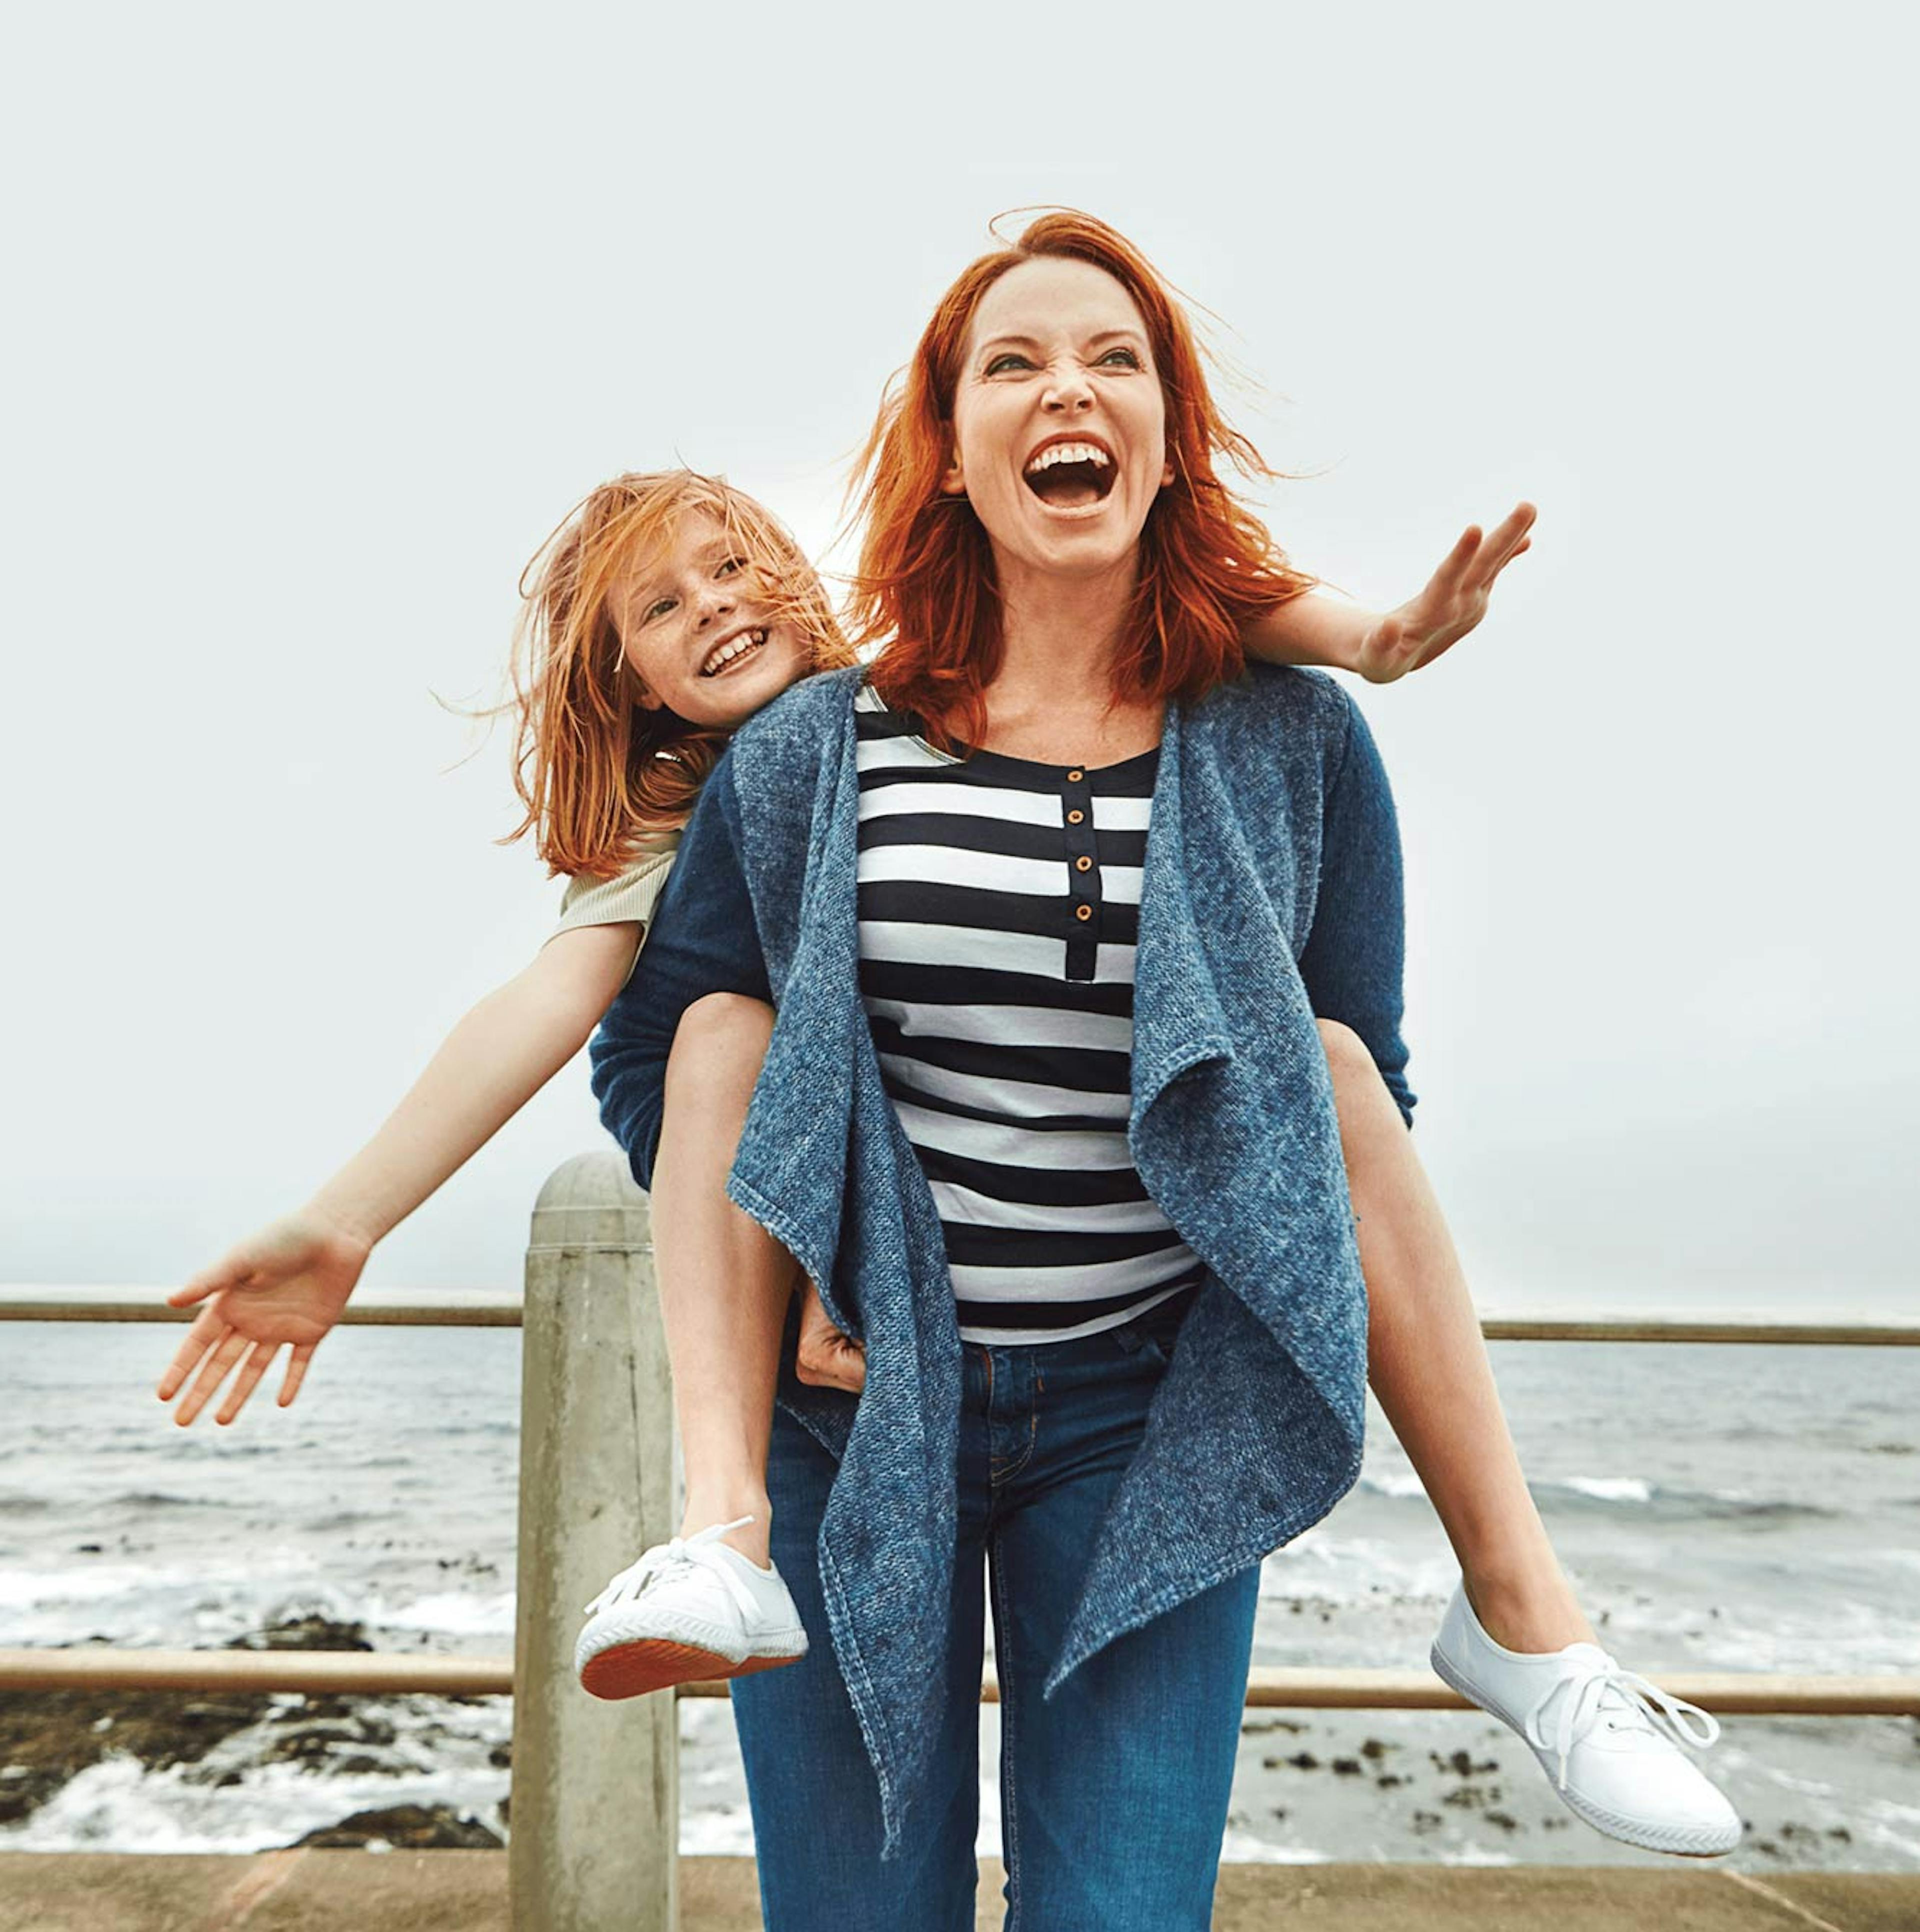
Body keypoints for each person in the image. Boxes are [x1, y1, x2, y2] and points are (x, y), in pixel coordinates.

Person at [586, 212, 1740, 1931]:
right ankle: (719, 1532)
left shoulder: (1295, 739)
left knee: (1124, 1914)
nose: (1072, 388)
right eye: (1018, 362)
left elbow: (1358, 1092)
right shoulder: (822, 750)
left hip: (1140, 1418)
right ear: (955, 449)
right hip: (850, 1409)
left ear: (1166, 437)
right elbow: (661, 1059)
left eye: (1116, 358)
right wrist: (807, 1261)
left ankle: (1529, 1623)